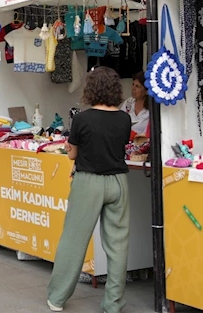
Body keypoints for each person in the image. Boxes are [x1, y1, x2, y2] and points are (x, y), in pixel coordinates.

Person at [46, 66, 132, 313]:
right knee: (118, 245)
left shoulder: (82, 118)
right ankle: (113, 304)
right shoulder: (125, 118)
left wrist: (71, 146)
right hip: (118, 181)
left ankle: (57, 297)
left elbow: (72, 153)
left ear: (91, 89)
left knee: (74, 240)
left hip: (88, 182)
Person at [120, 71, 149, 139]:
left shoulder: (151, 110)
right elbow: (119, 121)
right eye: (133, 84)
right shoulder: (129, 102)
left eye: (137, 86)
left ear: (146, 91)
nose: (133, 88)